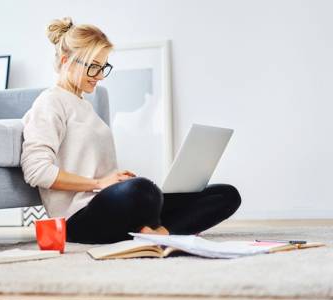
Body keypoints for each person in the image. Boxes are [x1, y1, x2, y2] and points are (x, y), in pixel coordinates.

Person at [20, 16, 242, 244]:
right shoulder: (49, 103)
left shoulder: (84, 106)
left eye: (103, 67)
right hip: (77, 218)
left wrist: (113, 182)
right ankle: (160, 224)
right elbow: (36, 171)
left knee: (225, 194)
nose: (99, 75)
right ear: (67, 61)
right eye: (93, 67)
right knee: (143, 191)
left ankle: (159, 234)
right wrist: (99, 183)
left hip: (110, 204)